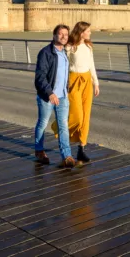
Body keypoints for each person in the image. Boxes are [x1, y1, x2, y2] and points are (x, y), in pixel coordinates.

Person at [33, 24, 75, 168]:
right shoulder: (45, 53)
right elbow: (40, 77)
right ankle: (39, 150)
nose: (64, 37)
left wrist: (66, 90)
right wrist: (50, 93)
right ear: (54, 35)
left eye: (66, 34)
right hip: (47, 97)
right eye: (60, 34)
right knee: (43, 123)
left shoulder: (64, 53)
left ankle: (67, 156)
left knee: (63, 126)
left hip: (62, 96)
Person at [66, 21, 99, 162]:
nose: (90, 33)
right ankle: (60, 130)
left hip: (87, 81)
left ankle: (81, 148)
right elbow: (63, 65)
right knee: (77, 115)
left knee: (86, 116)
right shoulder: (70, 47)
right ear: (81, 32)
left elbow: (91, 65)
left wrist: (96, 83)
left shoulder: (88, 46)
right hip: (74, 80)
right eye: (88, 31)